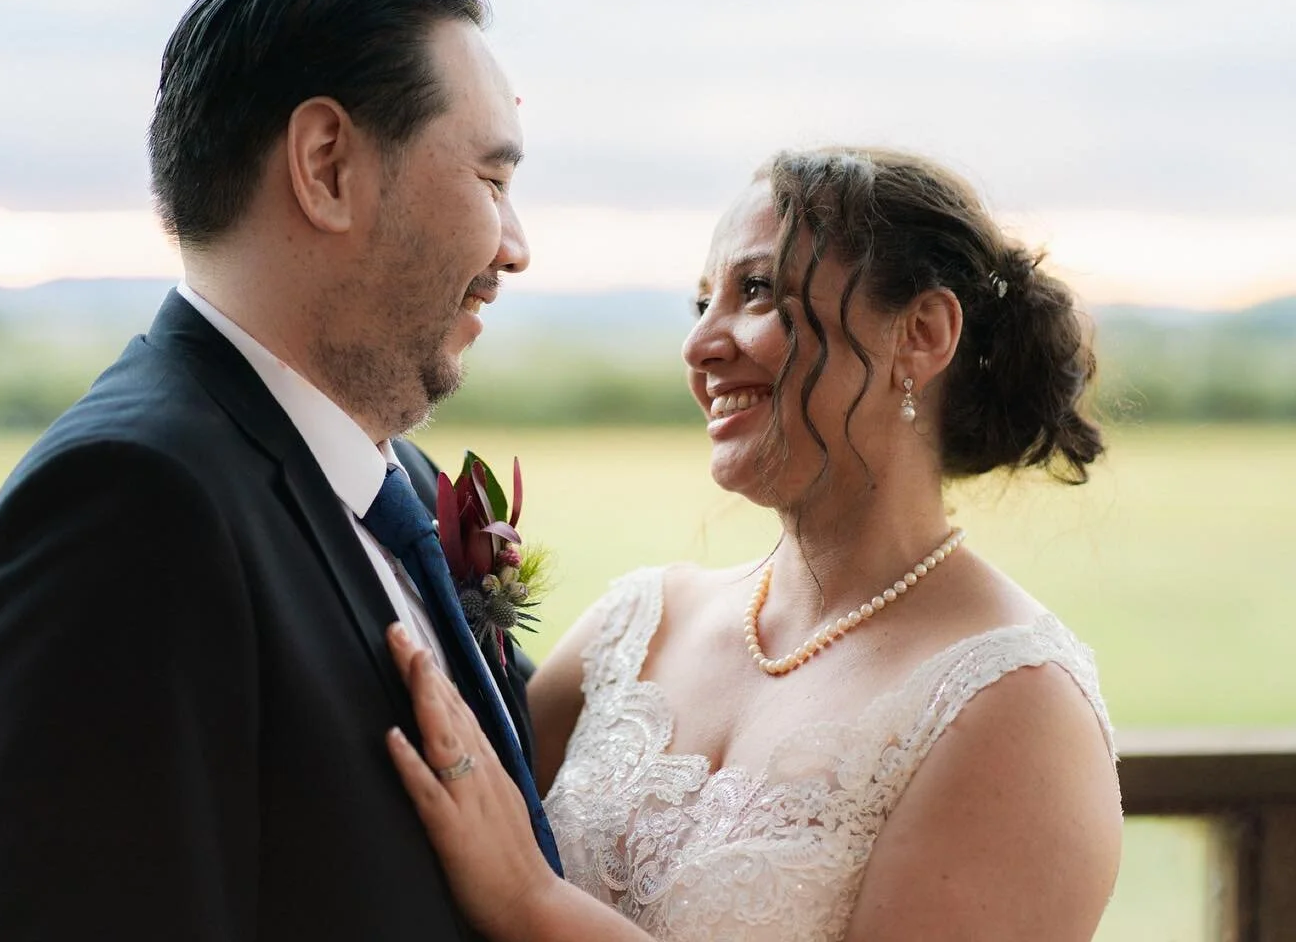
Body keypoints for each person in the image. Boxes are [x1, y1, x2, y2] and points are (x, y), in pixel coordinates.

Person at [0, 0, 557, 939]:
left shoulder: (409, 493)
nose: (516, 248)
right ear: (326, 166)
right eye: (493, 182)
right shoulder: (123, 516)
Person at [385, 147, 1124, 941]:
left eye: (757, 290)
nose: (700, 346)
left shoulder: (1015, 705)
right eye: (701, 303)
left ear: (922, 332)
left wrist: (533, 903)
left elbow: (513, 879)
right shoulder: (634, 626)